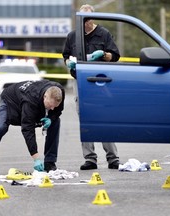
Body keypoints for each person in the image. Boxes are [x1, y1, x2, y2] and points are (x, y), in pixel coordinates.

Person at [62, 4, 121, 170]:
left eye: (87, 19)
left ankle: (112, 158)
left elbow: (114, 56)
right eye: (81, 18)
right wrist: (69, 64)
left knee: (105, 117)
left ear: (92, 18)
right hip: (80, 80)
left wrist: (103, 54)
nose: (85, 22)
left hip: (101, 81)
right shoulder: (73, 36)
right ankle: (90, 159)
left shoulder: (103, 34)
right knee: (85, 118)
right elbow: (65, 56)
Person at [0, 80, 65, 172]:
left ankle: (50, 162)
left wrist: (51, 118)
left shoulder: (59, 92)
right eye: (50, 105)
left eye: (55, 106)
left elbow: (57, 111)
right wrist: (36, 158)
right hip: (10, 102)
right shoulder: (31, 100)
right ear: (45, 97)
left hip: (30, 103)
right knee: (1, 128)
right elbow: (27, 129)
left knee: (55, 122)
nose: (52, 108)